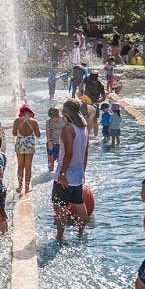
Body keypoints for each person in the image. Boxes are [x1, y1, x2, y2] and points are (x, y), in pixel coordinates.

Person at [52, 99, 90, 238]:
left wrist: (62, 173)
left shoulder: (69, 128)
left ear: (67, 113)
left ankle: (60, 235)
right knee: (80, 204)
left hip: (66, 174)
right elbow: (86, 151)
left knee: (61, 205)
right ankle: (80, 232)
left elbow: (69, 153)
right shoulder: (83, 128)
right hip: (78, 174)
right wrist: (83, 170)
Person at [13, 104, 40, 195]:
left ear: (22, 112)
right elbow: (38, 135)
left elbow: (14, 134)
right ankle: (27, 187)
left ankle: (20, 187)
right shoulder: (34, 122)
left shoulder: (17, 120)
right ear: (30, 113)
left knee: (20, 166)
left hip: (20, 144)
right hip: (30, 145)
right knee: (28, 167)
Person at [45, 107, 64, 172]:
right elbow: (48, 132)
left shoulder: (64, 120)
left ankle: (59, 174)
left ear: (58, 116)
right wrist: (49, 141)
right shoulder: (48, 122)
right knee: (50, 161)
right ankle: (50, 172)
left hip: (62, 143)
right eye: (52, 118)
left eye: (55, 118)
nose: (53, 119)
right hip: (52, 143)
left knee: (61, 161)